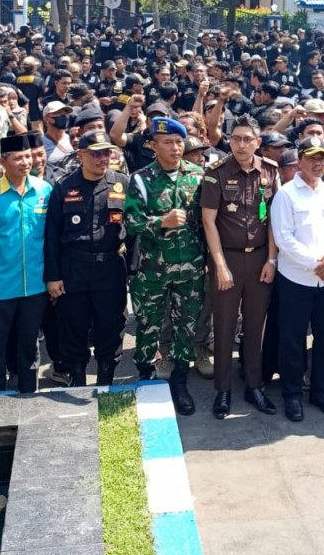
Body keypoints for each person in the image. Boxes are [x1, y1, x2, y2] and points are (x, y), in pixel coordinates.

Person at [200, 115, 280, 419]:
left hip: (260, 258)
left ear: (258, 143)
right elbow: (209, 221)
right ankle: (223, 390)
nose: (242, 144)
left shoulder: (270, 172)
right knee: (224, 325)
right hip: (228, 258)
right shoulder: (216, 172)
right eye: (236, 139)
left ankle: (254, 385)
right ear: (229, 141)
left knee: (255, 326)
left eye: (248, 139)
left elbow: (273, 220)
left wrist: (272, 260)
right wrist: (219, 265)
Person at [124, 116, 204, 415]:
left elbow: (207, 223)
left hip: (190, 270)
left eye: (179, 142)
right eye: (167, 142)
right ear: (153, 146)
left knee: (186, 327)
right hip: (152, 271)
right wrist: (161, 222)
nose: (175, 147)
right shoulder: (141, 179)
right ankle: (145, 378)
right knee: (148, 326)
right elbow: (130, 224)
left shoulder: (197, 175)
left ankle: (180, 381)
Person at [44, 129, 132, 388]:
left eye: (106, 153)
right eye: (95, 154)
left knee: (111, 327)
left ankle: (107, 380)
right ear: (81, 155)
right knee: (73, 329)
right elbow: (51, 234)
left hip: (111, 269)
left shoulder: (121, 183)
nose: (102, 159)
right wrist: (53, 276)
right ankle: (78, 380)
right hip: (74, 270)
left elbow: (134, 229)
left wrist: (133, 270)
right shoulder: (64, 186)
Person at [0, 133, 52, 393]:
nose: (25, 162)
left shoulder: (44, 190)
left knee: (29, 346)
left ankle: (29, 392)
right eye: (17, 158)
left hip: (35, 287)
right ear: (3, 162)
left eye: (28, 156)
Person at [271, 139, 324, 421]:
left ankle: (321, 390)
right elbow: (284, 239)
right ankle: (292, 394)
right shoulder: (287, 195)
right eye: (312, 158)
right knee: (292, 340)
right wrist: (318, 263)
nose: (318, 164)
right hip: (296, 279)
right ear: (300, 161)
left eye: (322, 158)